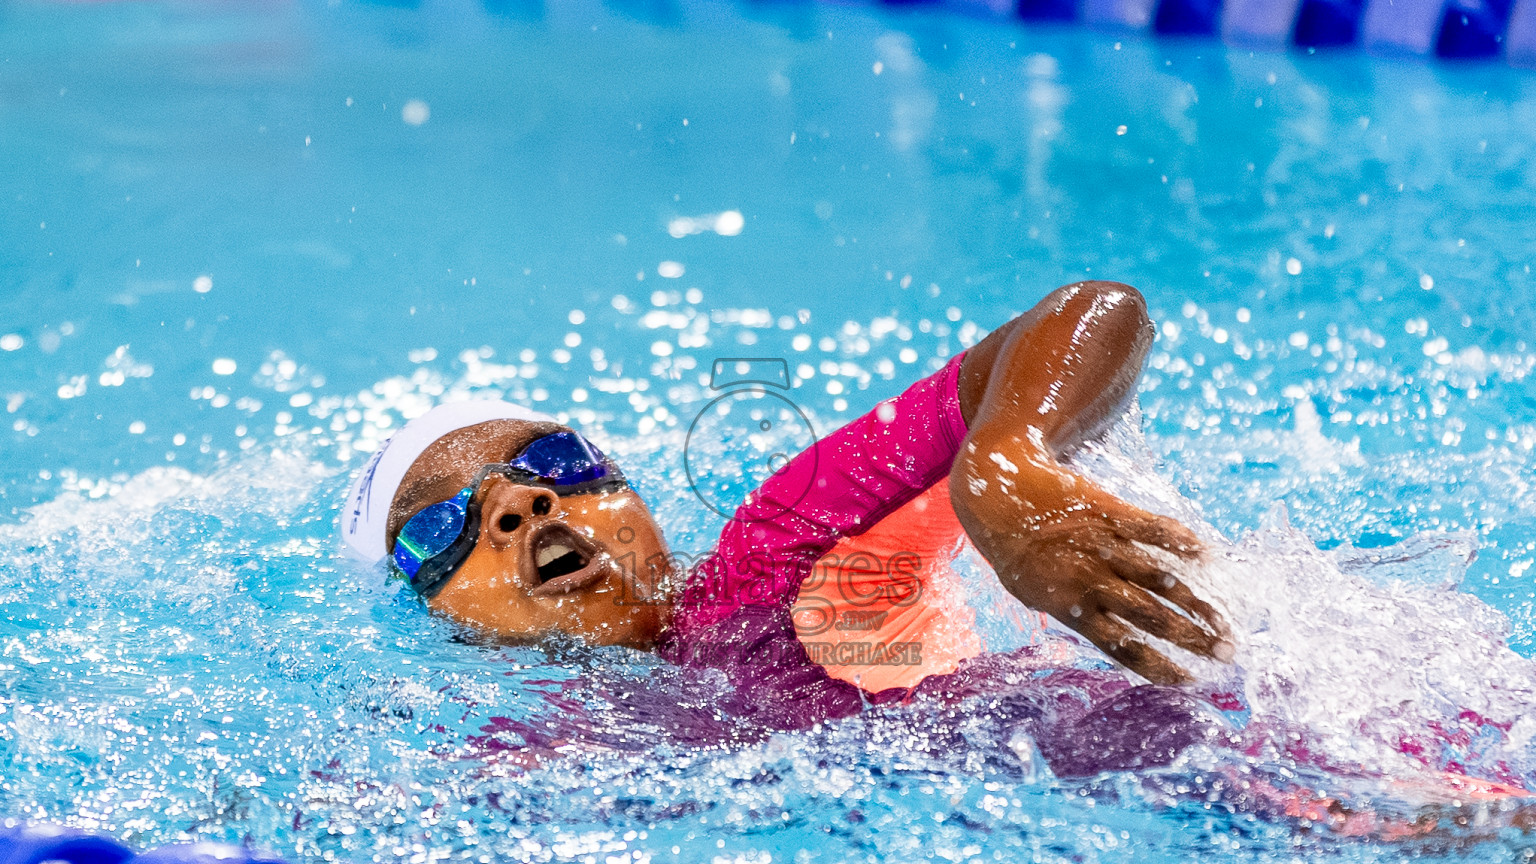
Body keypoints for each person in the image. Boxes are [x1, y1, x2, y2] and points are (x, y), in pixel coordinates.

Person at [342, 281, 1237, 776]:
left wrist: (1009, 458)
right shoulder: (544, 753)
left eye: (559, 464)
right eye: (440, 526)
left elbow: (1092, 310)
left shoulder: (773, 555)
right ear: (425, 613)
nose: (521, 504)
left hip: (1251, 763)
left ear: (634, 495)